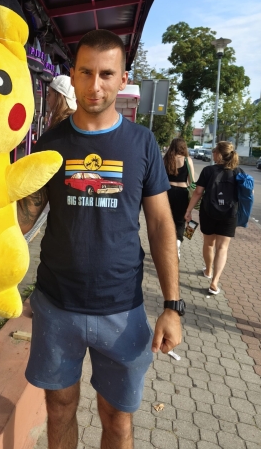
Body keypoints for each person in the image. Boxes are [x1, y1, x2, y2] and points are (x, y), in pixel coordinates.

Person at [17, 29, 182, 449]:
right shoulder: (50, 143)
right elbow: (24, 217)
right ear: (72, 74)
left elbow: (161, 225)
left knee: (117, 420)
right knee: (59, 408)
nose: (95, 85)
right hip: (56, 305)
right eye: (86, 72)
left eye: (106, 74)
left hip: (122, 308)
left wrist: (172, 306)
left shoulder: (142, 143)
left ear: (123, 79)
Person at [185, 141, 240, 295]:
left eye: (214, 151)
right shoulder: (238, 172)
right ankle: (214, 282)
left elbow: (198, 192)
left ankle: (208, 270)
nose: (212, 154)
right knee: (222, 248)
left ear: (219, 154)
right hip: (229, 214)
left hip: (208, 212)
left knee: (209, 244)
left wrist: (189, 210)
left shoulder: (208, 170)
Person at [163, 138, 195, 258]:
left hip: (167, 192)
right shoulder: (187, 160)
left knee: (167, 219)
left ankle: (167, 245)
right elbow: (192, 181)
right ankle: (177, 244)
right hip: (183, 193)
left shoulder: (166, 159)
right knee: (180, 221)